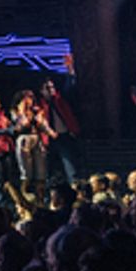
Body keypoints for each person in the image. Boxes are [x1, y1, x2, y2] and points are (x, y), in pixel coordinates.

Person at [39, 55, 82, 184]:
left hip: (63, 135)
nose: (51, 90)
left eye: (52, 87)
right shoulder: (40, 104)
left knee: (69, 164)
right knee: (47, 168)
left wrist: (69, 69)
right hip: (47, 139)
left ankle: (74, 187)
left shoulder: (59, 99)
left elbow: (70, 86)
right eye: (48, 88)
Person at [11, 90, 51, 203]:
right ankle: (24, 198)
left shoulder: (36, 111)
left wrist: (48, 130)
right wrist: (23, 112)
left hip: (37, 138)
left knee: (41, 171)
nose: (29, 100)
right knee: (26, 171)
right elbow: (23, 124)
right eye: (26, 98)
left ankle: (40, 199)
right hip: (24, 139)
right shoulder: (16, 111)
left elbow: (43, 125)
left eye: (31, 98)